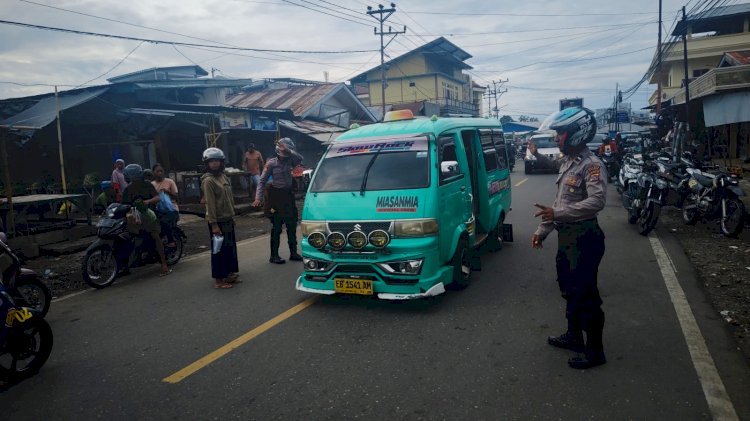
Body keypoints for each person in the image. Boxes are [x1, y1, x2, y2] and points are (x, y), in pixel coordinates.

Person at [529, 107, 607, 369]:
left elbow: (596, 201)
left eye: (561, 133)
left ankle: (595, 351)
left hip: (585, 237)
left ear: (577, 133)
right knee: (569, 290)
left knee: (586, 296)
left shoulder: (592, 165)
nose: (557, 138)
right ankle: (574, 336)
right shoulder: (568, 162)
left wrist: (557, 213)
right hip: (568, 238)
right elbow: (558, 203)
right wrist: (543, 232)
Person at [252, 138, 303, 264]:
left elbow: (300, 159)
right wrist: (258, 198)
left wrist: (288, 150)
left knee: (292, 227)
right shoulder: (271, 163)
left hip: (288, 197)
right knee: (277, 228)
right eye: (284, 153)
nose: (285, 156)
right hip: (275, 199)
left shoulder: (291, 160)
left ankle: (293, 253)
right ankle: (274, 256)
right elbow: (262, 181)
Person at [121, 164, 171, 277]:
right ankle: (125, 265)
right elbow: (123, 205)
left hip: (149, 214)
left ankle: (164, 264)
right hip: (134, 218)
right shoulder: (128, 189)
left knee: (155, 235)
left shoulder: (147, 185)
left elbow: (157, 198)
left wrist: (147, 202)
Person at [201, 147, 239, 289]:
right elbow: (210, 205)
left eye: (217, 161)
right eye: (212, 161)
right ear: (207, 164)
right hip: (217, 222)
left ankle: (229, 274)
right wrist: (214, 225)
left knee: (229, 248)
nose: (215, 164)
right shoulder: (208, 181)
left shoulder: (223, 177)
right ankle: (219, 280)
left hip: (227, 218)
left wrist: (232, 216)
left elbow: (229, 199)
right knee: (219, 252)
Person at [151, 163, 180, 248]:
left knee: (164, 221)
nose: (160, 173)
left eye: (161, 171)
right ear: (153, 173)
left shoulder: (170, 182)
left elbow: (176, 197)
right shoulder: (152, 185)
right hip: (158, 210)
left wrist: (167, 192)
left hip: (171, 209)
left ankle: (171, 241)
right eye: (157, 171)